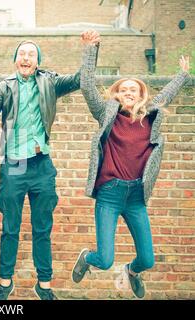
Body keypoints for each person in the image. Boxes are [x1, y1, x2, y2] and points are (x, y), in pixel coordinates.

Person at [0, 34, 99, 300]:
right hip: (13, 167)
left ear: (38, 62)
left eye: (31, 54)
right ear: (15, 60)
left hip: (42, 167)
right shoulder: (5, 86)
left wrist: (90, 50)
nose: (25, 58)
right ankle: (5, 283)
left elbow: (83, 79)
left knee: (42, 229)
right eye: (21, 54)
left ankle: (44, 285)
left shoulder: (50, 82)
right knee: (10, 228)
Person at [71, 31, 191, 299]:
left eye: (133, 90)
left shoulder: (151, 117)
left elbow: (166, 96)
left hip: (136, 196)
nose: (128, 93)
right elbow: (87, 86)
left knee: (147, 260)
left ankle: (132, 272)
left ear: (140, 95)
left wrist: (183, 75)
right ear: (117, 94)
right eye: (123, 89)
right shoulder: (107, 114)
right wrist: (90, 49)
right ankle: (86, 258)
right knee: (103, 259)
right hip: (110, 194)